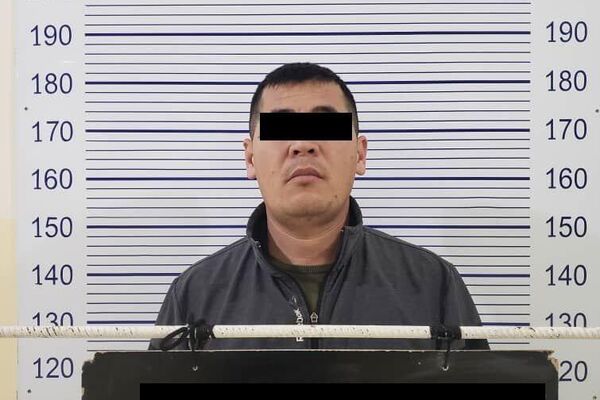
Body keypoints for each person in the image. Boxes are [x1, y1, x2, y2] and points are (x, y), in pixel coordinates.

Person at [149, 62, 489, 350]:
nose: (303, 144)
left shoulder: (433, 285)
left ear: (360, 154)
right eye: (281, 129)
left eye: (325, 126)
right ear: (250, 158)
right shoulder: (194, 296)